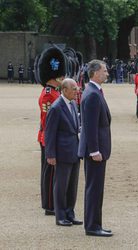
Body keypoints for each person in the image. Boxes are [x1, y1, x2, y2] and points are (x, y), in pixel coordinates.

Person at [78, 59, 113, 237]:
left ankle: (95, 223)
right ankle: (92, 226)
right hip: (95, 151)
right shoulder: (92, 94)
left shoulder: (93, 91)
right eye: (104, 71)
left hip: (98, 149)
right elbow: (90, 126)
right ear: (95, 73)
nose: (107, 73)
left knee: (96, 189)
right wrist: (94, 151)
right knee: (94, 189)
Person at [45, 78, 82, 227]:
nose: (77, 91)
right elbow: (50, 133)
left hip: (74, 150)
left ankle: (69, 213)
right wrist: (50, 155)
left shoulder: (73, 104)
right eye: (74, 89)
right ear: (64, 90)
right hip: (62, 153)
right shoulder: (56, 107)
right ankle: (60, 215)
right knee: (61, 186)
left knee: (72, 185)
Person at [37, 47, 66, 216]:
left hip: (50, 136)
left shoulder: (54, 92)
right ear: (54, 77)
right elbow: (48, 121)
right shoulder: (49, 94)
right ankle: (49, 204)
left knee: (51, 172)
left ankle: (50, 202)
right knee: (50, 173)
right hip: (48, 137)